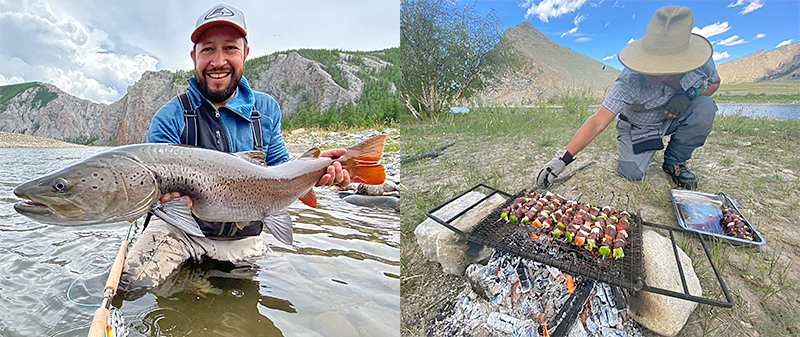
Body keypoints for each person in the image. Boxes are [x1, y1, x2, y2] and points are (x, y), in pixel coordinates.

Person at [119, 4, 349, 298]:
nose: (218, 61)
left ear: (245, 54)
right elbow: (150, 194)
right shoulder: (171, 115)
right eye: (207, 50)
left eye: (229, 48)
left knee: (303, 298)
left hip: (244, 238)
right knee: (128, 288)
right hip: (178, 233)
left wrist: (318, 170)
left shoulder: (265, 110)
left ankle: (196, 282)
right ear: (193, 57)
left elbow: (281, 171)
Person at [537, 6, 719, 191]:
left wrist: (689, 95)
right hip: (640, 126)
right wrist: (562, 159)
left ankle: (675, 162)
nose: (650, 70)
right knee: (632, 173)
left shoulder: (700, 62)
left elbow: (715, 83)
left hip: (673, 119)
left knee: (705, 107)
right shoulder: (630, 79)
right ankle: (645, 148)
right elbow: (598, 121)